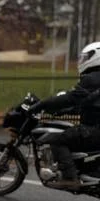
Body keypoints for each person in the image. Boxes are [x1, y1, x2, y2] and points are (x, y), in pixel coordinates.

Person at [28, 41, 100, 188]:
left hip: (94, 129)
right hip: (95, 127)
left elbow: (70, 97)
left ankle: (70, 178)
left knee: (57, 140)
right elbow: (84, 103)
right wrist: (61, 112)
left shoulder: (93, 78)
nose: (82, 61)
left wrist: (42, 104)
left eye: (86, 57)